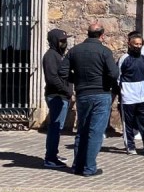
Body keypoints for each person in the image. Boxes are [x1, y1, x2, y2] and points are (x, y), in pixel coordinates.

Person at [59, 22, 119, 177]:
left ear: (87, 34)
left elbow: (62, 71)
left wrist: (77, 79)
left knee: (82, 130)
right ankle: (89, 167)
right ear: (102, 35)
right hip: (101, 94)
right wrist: (105, 82)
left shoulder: (74, 51)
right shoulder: (104, 51)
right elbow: (114, 73)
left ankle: (77, 165)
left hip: (82, 94)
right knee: (96, 131)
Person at [117, 32, 144, 155]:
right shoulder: (124, 59)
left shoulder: (143, 58)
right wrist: (122, 91)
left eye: (140, 44)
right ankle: (130, 146)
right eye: (135, 44)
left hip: (142, 95)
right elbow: (118, 76)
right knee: (128, 123)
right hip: (128, 96)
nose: (138, 46)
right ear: (129, 44)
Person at [42, 29, 73, 168]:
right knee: (55, 127)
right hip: (56, 96)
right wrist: (66, 90)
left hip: (62, 96)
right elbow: (52, 78)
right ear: (54, 41)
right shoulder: (50, 56)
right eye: (61, 40)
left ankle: (53, 153)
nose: (64, 43)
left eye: (65, 40)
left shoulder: (59, 55)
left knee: (57, 127)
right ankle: (50, 158)